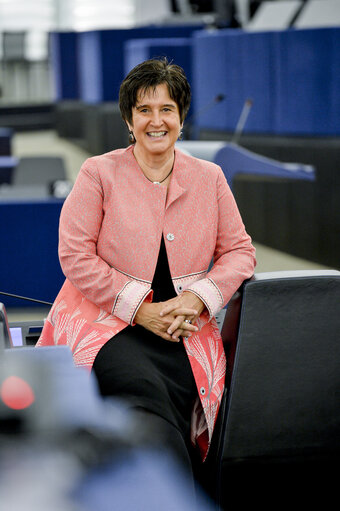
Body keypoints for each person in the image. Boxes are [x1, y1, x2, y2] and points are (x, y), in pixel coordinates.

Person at [37, 58, 256, 485]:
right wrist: (140, 310)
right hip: (108, 326)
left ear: (181, 117)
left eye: (167, 109)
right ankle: (160, 491)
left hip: (186, 327)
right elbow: (75, 254)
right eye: (144, 110)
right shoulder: (98, 173)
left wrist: (198, 298)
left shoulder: (209, 178)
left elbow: (240, 252)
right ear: (128, 119)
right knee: (144, 402)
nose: (156, 121)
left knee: (197, 403)